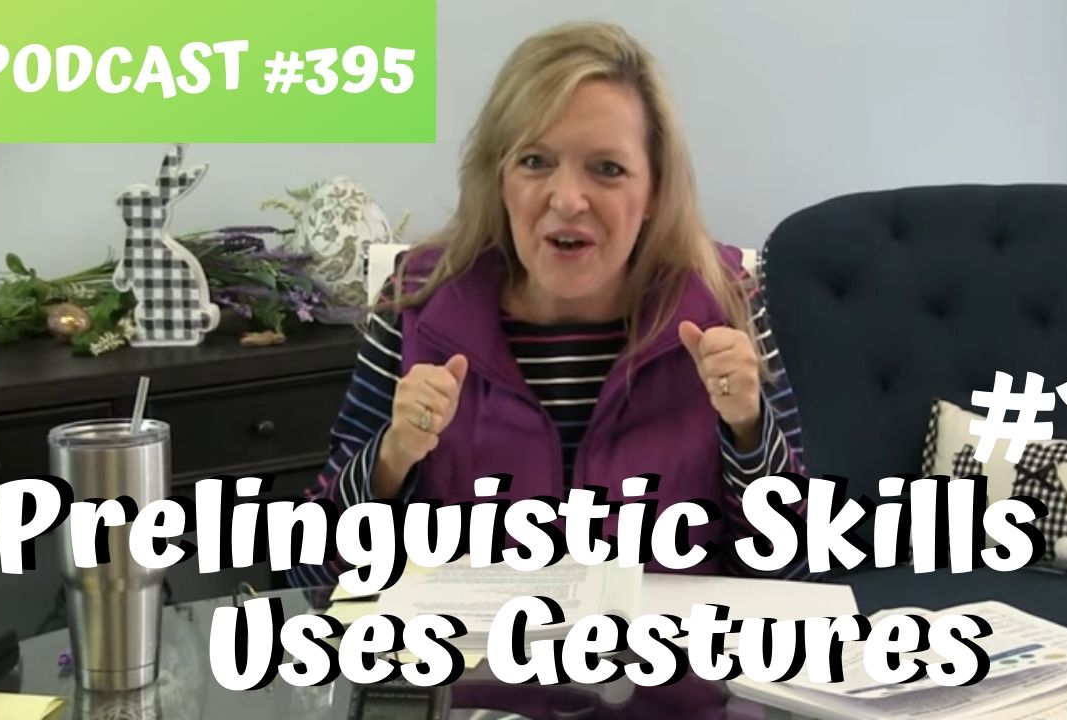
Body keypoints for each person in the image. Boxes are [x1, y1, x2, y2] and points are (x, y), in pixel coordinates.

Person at [289, 20, 808, 590]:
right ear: (499, 178)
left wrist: (748, 431)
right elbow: (309, 572)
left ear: (655, 190)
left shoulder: (726, 299)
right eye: (535, 162)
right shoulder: (417, 302)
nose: (566, 200)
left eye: (607, 169)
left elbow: (798, 572)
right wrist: (392, 459)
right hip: (469, 646)